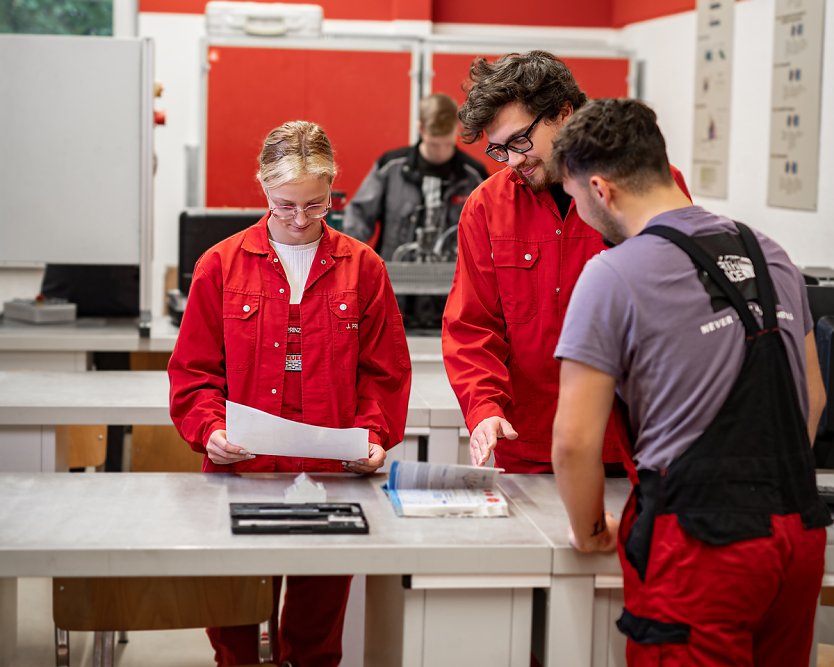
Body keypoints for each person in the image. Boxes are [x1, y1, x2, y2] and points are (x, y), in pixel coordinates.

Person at [550, 98, 830, 666]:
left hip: (703, 546)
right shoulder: (771, 254)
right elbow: (814, 396)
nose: (577, 210)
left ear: (601, 190)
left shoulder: (612, 274)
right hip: (797, 532)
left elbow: (575, 440)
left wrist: (590, 531)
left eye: (574, 198)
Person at [168, 120, 411, 666]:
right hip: (240, 475)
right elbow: (193, 373)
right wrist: (210, 430)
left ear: (333, 191)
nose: (301, 221)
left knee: (316, 643)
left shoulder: (364, 268)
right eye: (285, 205)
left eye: (317, 206)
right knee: (235, 640)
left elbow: (385, 372)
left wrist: (374, 435)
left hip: (329, 481)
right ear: (262, 187)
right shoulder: (220, 265)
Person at [442, 50, 691, 472]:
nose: (514, 160)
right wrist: (484, 407)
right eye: (499, 150)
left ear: (564, 113)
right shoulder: (486, 207)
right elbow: (472, 326)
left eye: (520, 141)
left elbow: (678, 319)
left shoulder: (646, 188)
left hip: (633, 445)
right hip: (529, 444)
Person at [344, 93, 489, 330]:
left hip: (452, 298)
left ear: (456, 129)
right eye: (434, 143)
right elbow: (357, 221)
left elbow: (488, 236)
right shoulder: (390, 167)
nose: (441, 151)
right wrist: (348, 269)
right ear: (421, 129)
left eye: (447, 142)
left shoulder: (473, 175)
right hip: (394, 294)